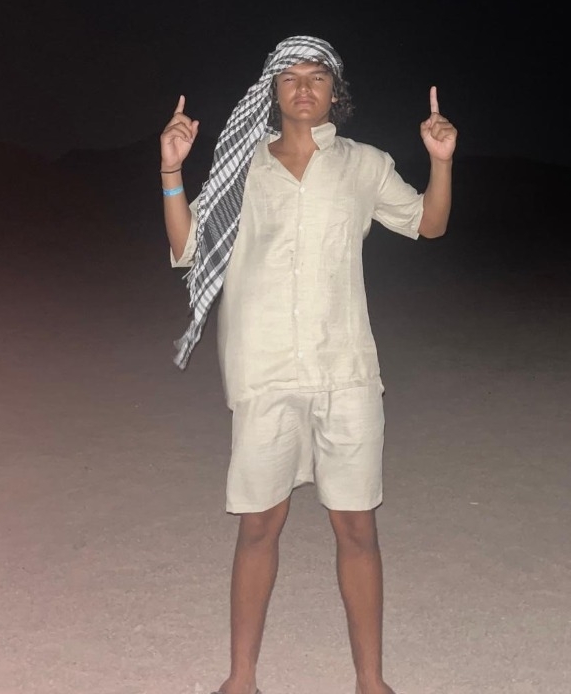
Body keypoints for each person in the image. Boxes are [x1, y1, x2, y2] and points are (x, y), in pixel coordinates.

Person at [160, 35, 457, 694]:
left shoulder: (363, 164)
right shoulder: (242, 168)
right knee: (258, 525)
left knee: (356, 526)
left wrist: (441, 163)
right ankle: (241, 678)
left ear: (334, 92)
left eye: (317, 76)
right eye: (290, 76)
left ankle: (371, 681)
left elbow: (429, 224)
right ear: (272, 91)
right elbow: (188, 247)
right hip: (263, 369)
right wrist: (171, 171)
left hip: (345, 370)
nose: (303, 87)